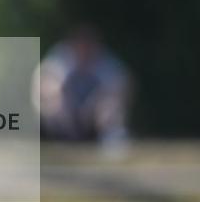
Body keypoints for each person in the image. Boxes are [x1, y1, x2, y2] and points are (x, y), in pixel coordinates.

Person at [34, 24, 132, 153]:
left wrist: (94, 104)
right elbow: (43, 81)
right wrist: (60, 97)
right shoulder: (61, 58)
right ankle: (58, 139)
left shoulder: (104, 61)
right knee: (52, 96)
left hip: (93, 120)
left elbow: (124, 84)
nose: (84, 49)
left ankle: (112, 139)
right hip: (64, 117)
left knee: (110, 104)